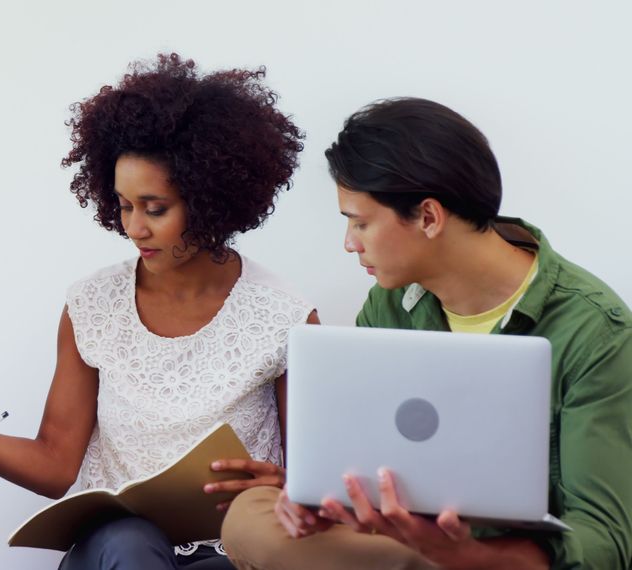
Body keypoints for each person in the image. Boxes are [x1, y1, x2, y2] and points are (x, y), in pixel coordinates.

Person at [0, 53, 317, 569]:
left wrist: (287, 485)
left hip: (233, 550)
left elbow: (318, 483)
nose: (135, 227)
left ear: (209, 200)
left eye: (155, 208)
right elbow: (54, 464)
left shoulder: (284, 315)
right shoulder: (92, 305)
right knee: (128, 542)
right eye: (124, 205)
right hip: (116, 552)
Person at [221, 98, 632, 570]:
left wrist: (465, 555)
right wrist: (315, 501)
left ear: (429, 217)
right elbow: (365, 458)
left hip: (498, 557)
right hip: (395, 538)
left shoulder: (595, 331)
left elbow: (606, 542)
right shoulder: (390, 301)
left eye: (360, 222)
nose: (349, 243)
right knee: (250, 516)